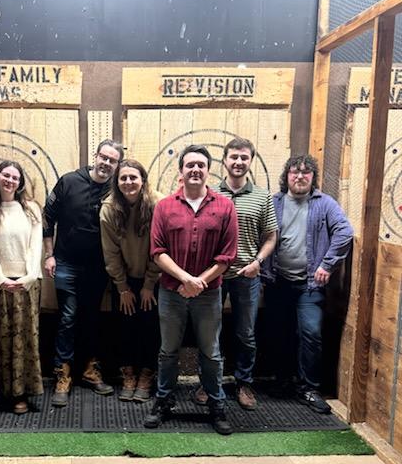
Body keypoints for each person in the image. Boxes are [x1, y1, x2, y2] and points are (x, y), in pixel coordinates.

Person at [144, 144, 238, 434]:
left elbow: (227, 256)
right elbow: (158, 251)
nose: (195, 170)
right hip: (172, 293)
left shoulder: (225, 206)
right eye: (190, 165)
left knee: (211, 353)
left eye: (201, 165)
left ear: (208, 170)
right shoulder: (164, 207)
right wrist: (186, 279)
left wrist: (200, 283)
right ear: (180, 170)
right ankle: (163, 401)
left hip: (209, 294)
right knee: (168, 351)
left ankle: (216, 404)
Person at [262, 154, 353, 414]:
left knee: (310, 332)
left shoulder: (325, 204)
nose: (300, 176)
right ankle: (282, 380)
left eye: (305, 172)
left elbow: (344, 232)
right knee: (278, 332)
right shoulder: (275, 202)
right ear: (286, 176)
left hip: (309, 284)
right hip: (277, 280)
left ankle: (309, 387)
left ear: (313, 177)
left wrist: (327, 264)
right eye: (294, 171)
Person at [195, 138, 277, 410]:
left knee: (246, 333)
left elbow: (271, 236)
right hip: (213, 276)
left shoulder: (262, 196)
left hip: (247, 275)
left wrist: (258, 261)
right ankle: (208, 383)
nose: (238, 162)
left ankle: (244, 383)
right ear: (225, 161)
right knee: (209, 333)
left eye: (244, 157)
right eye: (233, 157)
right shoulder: (209, 194)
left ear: (250, 161)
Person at [43, 140, 123, 407]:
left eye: (112, 161)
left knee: (91, 318)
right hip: (66, 263)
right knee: (68, 317)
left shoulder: (117, 188)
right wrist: (49, 254)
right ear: (95, 156)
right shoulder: (68, 181)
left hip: (99, 268)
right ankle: (62, 375)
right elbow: (48, 218)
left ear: (116, 165)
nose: (106, 163)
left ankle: (89, 370)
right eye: (104, 157)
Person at [0, 160, 43, 413]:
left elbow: (36, 246)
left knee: (24, 339)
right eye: (6, 175)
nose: (10, 181)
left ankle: (20, 394)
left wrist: (29, 277)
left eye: (15, 177)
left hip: (26, 284)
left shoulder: (32, 209)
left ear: (20, 182)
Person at [100, 159, 162, 402]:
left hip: (152, 279)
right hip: (123, 280)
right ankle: (128, 374)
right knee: (124, 327)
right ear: (117, 182)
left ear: (143, 180)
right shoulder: (109, 208)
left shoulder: (158, 203)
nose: (128, 182)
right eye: (123, 178)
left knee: (150, 327)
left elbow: (161, 247)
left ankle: (147, 374)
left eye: (133, 177)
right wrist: (122, 287)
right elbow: (110, 252)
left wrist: (149, 283)